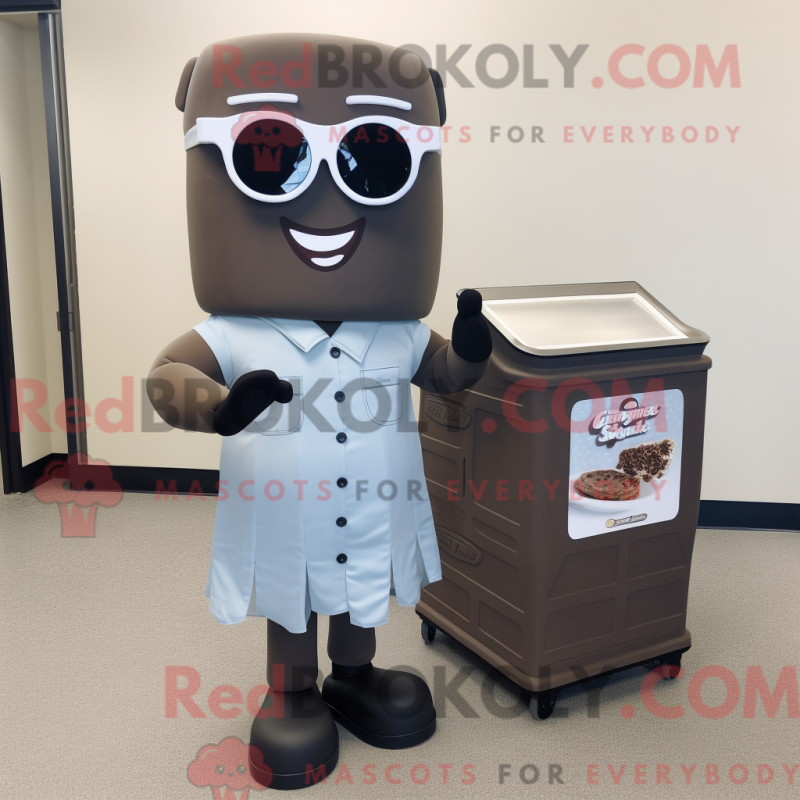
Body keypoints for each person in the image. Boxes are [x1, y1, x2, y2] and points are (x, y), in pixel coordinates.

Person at [147, 33, 492, 790]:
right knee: (292, 590)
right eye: (271, 155)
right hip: (284, 506)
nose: (326, 195)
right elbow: (169, 377)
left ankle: (355, 678)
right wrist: (221, 407)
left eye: (374, 155)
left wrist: (469, 350)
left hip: (376, 500)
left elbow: (442, 373)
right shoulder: (236, 331)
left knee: (364, 587)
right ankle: (293, 691)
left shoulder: (396, 329)